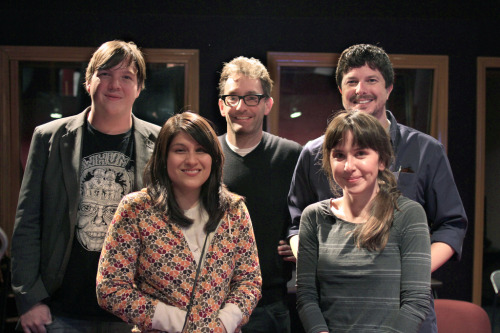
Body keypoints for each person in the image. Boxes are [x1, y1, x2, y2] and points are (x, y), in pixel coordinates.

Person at [283, 44, 468, 332]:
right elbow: (298, 226)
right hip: (336, 308)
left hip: (403, 310)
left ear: (389, 87)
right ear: (340, 88)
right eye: (352, 81)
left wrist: (405, 273)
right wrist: (320, 266)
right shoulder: (313, 153)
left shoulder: (425, 150)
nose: (361, 89)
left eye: (372, 80)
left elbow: (452, 225)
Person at [10, 40, 161, 332]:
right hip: (59, 312)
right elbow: (27, 224)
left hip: (132, 314)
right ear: (88, 82)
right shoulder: (48, 138)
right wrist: (30, 300)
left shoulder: (161, 142)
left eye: (126, 76)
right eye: (104, 74)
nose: (114, 84)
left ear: (139, 87)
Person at [96, 111, 262, 332]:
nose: (191, 160)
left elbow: (249, 281)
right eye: (180, 150)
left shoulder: (233, 210)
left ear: (213, 157)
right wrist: (179, 322)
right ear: (164, 157)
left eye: (201, 150)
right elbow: (110, 288)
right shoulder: (136, 209)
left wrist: (223, 323)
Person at [297, 110, 431, 333]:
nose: (349, 166)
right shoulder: (314, 217)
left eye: (360, 153)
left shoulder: (409, 215)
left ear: (382, 160)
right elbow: (306, 296)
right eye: (339, 155)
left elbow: (415, 303)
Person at [218, 56, 302, 332]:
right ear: (222, 105)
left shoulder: (291, 156)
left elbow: (311, 216)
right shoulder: (205, 156)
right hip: (211, 304)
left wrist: (301, 243)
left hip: (270, 306)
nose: (241, 107)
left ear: (267, 104)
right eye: (233, 98)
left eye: (252, 98)